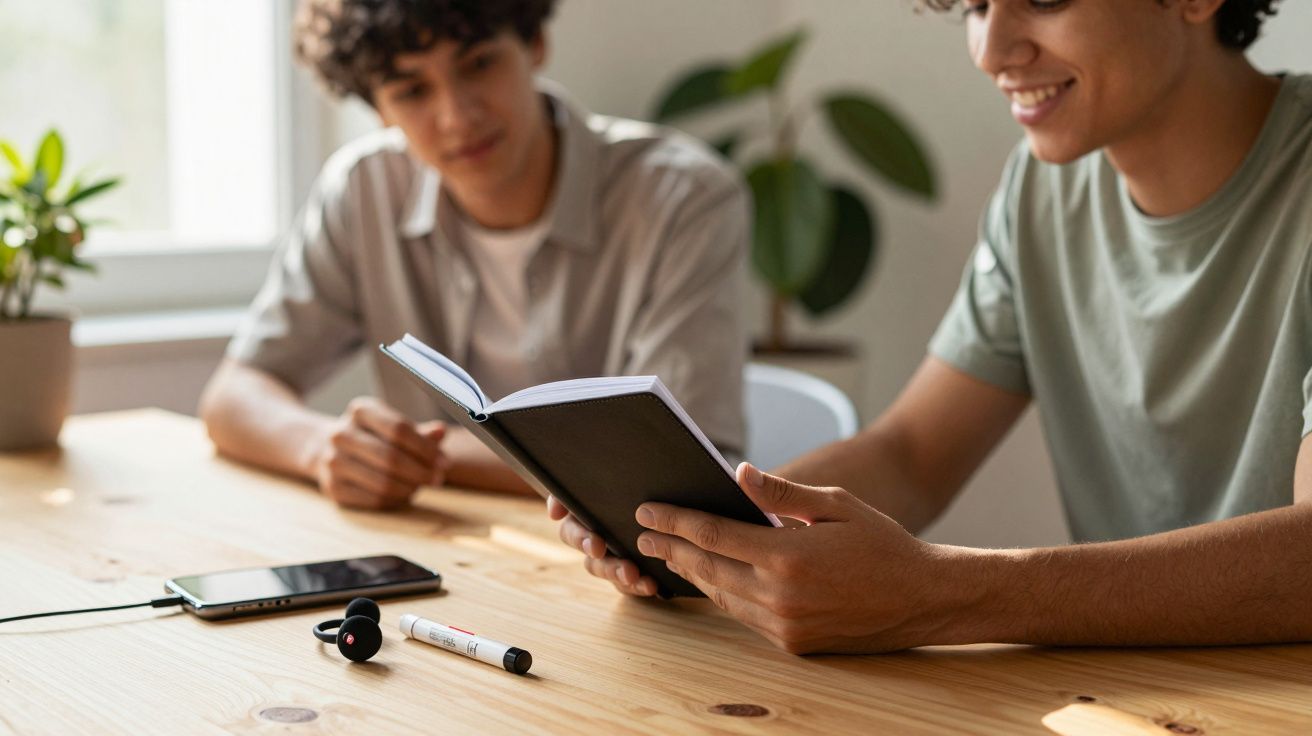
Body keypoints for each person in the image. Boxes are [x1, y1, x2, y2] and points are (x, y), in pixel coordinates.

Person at [552, 0, 1312, 653]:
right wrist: (700, 534)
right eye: (975, 6)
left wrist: (944, 593)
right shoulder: (1040, 191)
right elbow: (913, 454)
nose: (991, 51)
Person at [200, 0, 748, 510]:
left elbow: (671, 470)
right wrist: (321, 446)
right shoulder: (363, 189)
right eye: (412, 91)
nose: (458, 116)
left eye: (479, 64)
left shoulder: (684, 198)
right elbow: (233, 396)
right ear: (379, 109)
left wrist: (418, 456)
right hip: (446, 551)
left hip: (625, 565)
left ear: (533, 43)